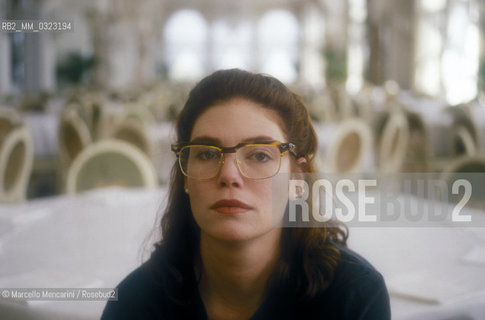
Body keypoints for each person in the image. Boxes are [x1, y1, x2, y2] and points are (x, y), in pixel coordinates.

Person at [102, 69, 391, 319]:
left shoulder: (352, 297)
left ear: (297, 180)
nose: (229, 175)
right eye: (206, 154)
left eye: (260, 156)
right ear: (185, 177)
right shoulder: (137, 304)